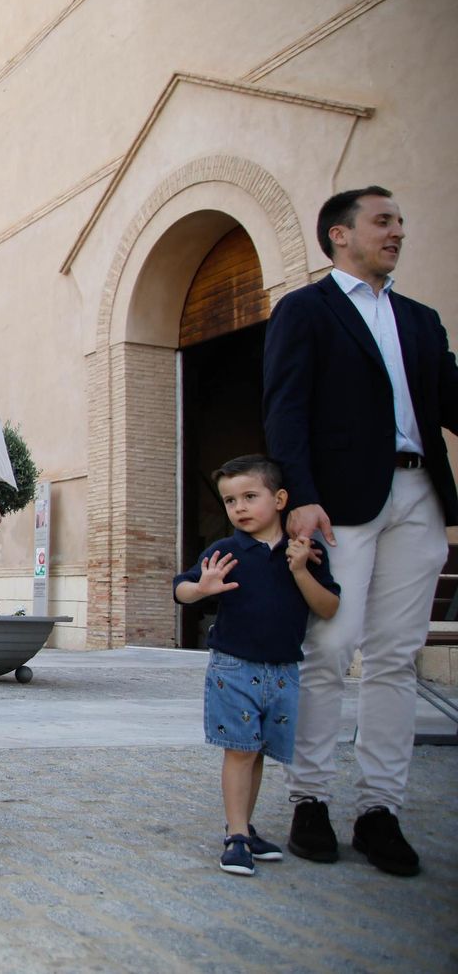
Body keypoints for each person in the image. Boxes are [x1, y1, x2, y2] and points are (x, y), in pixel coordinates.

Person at [263, 186, 458, 877]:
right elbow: (285, 409)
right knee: (330, 648)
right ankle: (310, 797)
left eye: (401, 222)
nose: (397, 232)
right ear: (340, 236)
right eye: (383, 222)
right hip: (341, 506)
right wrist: (301, 500)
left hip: (419, 497)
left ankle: (381, 809)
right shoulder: (306, 311)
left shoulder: (421, 320)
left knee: (395, 656)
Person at [172, 455, 341, 876]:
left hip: (283, 670)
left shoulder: (306, 551)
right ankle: (235, 836)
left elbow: (329, 606)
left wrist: (300, 570)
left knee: (259, 752)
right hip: (234, 669)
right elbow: (180, 589)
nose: (239, 508)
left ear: (280, 498)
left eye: (250, 496)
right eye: (230, 501)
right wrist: (201, 588)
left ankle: (245, 826)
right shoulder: (225, 551)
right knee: (240, 752)